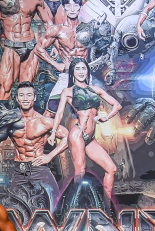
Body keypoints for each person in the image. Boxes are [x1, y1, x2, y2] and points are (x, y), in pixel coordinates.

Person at [0, 81, 67, 211]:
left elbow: (68, 137)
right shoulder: (11, 121)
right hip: (20, 170)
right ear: (17, 98)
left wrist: (50, 156)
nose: (25, 98)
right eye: (21, 95)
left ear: (34, 97)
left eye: (29, 95)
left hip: (39, 169)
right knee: (16, 210)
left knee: (53, 206)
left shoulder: (44, 122)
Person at [50, 58, 121, 200]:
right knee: (80, 172)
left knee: (111, 169)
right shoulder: (68, 91)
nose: (81, 72)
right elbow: (59, 113)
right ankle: (76, 206)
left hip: (90, 138)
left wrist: (106, 118)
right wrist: (53, 132)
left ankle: (106, 206)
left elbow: (117, 105)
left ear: (87, 71)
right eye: (78, 69)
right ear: (73, 72)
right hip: (78, 134)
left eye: (83, 68)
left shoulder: (96, 90)